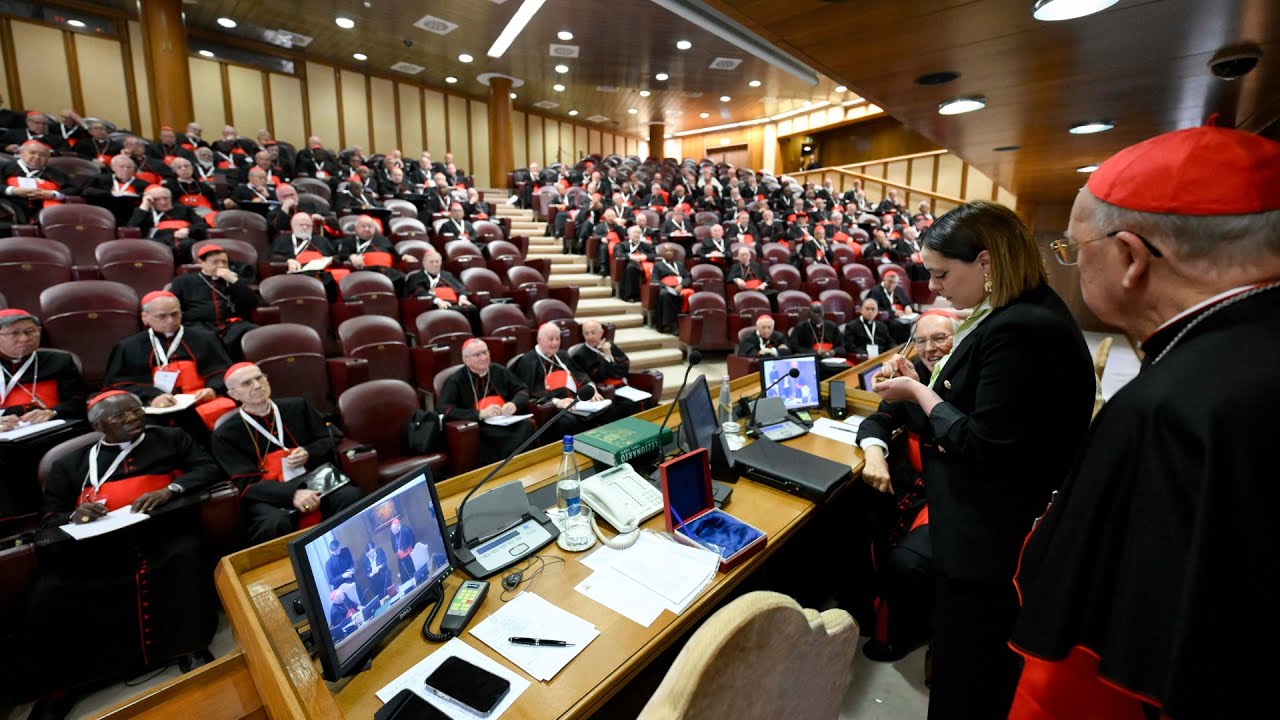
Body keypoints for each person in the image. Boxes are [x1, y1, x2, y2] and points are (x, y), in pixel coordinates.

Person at [1010, 125, 1280, 719]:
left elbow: (1088, 676)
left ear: (1130, 257)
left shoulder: (1165, 413)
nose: (1073, 264)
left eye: (1074, 249)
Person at [869, 200, 1094, 718]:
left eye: (943, 273)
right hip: (975, 525)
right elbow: (971, 409)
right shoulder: (1011, 313)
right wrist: (922, 387)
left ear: (987, 263)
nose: (935, 288)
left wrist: (920, 394)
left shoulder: (1023, 327)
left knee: (968, 676)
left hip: (991, 538)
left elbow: (982, 443)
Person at [22, 391, 218, 717]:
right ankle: (63, 685)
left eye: (136, 411)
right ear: (98, 424)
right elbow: (51, 515)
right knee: (49, 591)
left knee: (187, 554)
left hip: (161, 531)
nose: (133, 419)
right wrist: (73, 515)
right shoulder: (69, 463)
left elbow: (207, 469)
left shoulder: (170, 438)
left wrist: (169, 490)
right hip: (97, 546)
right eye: (120, 416)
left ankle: (192, 647)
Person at [856, 312, 957, 663]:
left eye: (941, 338)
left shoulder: (968, 377)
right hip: (912, 485)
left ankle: (902, 634)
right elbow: (878, 420)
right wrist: (874, 454)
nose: (931, 348)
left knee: (906, 562)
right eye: (924, 340)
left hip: (952, 491)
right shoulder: (912, 372)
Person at [212, 362, 361, 544]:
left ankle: (349, 547)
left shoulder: (298, 406)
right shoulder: (225, 433)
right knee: (274, 523)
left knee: (350, 496)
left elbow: (330, 438)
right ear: (233, 394)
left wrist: (308, 451)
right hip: (268, 494)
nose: (257, 385)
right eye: (247, 383)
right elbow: (245, 484)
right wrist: (292, 494)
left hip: (311, 478)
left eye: (259, 378)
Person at [103, 291, 237, 435]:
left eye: (175, 314)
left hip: (202, 403)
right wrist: (151, 397)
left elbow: (225, 371)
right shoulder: (128, 347)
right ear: (145, 317)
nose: (170, 320)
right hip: (155, 407)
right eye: (162, 316)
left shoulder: (205, 338)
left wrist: (213, 389)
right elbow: (117, 386)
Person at [437, 339, 535, 466]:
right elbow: (444, 408)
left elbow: (522, 390)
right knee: (495, 437)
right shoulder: (455, 380)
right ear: (466, 359)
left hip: (506, 419)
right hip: (480, 425)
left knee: (526, 425)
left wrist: (514, 404)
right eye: (478, 355)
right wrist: (480, 414)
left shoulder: (499, 370)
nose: (484, 357)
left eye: (485, 352)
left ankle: (526, 465)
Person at [512, 324, 609, 438]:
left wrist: (591, 387)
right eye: (551, 339)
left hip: (577, 402)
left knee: (607, 409)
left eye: (557, 339)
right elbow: (530, 393)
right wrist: (557, 401)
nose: (555, 343)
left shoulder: (562, 355)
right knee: (568, 421)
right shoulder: (528, 361)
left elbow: (579, 374)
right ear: (539, 339)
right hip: (552, 408)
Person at [0, 309, 85, 430]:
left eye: (30, 331)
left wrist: (53, 412)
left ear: (39, 331)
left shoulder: (59, 361)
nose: (24, 338)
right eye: (14, 333)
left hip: (50, 432)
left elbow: (77, 402)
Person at [169, 244, 259, 356]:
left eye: (224, 262)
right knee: (205, 337)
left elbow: (253, 302)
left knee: (254, 332)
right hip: (199, 325)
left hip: (230, 326)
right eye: (215, 262)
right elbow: (172, 305)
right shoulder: (183, 281)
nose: (221, 266)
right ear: (201, 262)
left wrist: (233, 280)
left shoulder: (232, 279)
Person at [571, 319, 646, 412]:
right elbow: (597, 377)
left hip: (622, 387)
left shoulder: (610, 346)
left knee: (646, 401)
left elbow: (623, 368)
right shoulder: (580, 354)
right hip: (604, 391)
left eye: (593, 333)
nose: (590, 337)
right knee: (629, 405)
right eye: (586, 333)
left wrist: (609, 354)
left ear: (601, 333)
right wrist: (606, 358)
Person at [404, 250, 482, 335]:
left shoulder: (447, 275)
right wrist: (438, 301)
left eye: (437, 261)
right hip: (433, 305)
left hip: (455, 303)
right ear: (424, 263)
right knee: (450, 311)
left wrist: (462, 297)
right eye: (431, 262)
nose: (435, 264)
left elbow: (461, 289)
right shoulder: (415, 277)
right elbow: (419, 292)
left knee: (472, 308)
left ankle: (475, 336)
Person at [128, 184, 207, 264]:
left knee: (188, 244)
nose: (163, 202)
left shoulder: (184, 209)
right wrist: (144, 206)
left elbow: (201, 225)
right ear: (150, 200)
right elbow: (131, 229)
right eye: (157, 199)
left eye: (166, 198)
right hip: (155, 242)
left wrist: (188, 230)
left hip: (179, 241)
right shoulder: (145, 212)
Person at [1, 139, 72, 222]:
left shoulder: (56, 173)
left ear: (49, 157)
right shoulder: (5, 168)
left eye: (43, 155)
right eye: (32, 153)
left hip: (43, 210)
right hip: (10, 206)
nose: (37, 157)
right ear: (21, 153)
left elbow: (72, 190)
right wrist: (13, 190)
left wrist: (52, 194)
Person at [338, 214, 410, 294]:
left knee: (405, 279)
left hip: (386, 270)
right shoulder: (348, 241)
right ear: (356, 229)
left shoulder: (383, 239)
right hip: (363, 270)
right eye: (363, 226)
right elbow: (342, 256)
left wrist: (403, 256)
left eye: (370, 226)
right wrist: (351, 256)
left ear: (374, 229)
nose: (367, 229)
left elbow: (395, 256)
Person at [651, 245, 693, 334]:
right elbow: (654, 279)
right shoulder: (658, 265)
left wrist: (682, 285)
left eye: (670, 251)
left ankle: (684, 322)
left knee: (690, 293)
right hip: (666, 287)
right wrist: (666, 287)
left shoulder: (679, 264)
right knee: (664, 295)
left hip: (679, 287)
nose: (669, 253)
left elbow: (687, 277)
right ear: (662, 254)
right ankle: (668, 324)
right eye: (666, 251)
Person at [613, 225, 654, 302]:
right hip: (629, 264)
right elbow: (618, 254)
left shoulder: (645, 245)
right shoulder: (622, 245)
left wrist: (645, 256)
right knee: (631, 268)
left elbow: (654, 255)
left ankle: (648, 296)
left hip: (644, 264)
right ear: (629, 235)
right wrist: (630, 257)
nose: (637, 234)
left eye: (639, 233)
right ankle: (630, 295)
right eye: (635, 232)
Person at [359, 540, 392, 606]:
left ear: (375, 549)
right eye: (370, 553)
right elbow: (366, 574)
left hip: (385, 578)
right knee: (382, 600)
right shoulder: (365, 560)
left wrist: (379, 567)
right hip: (375, 583)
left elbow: (384, 562)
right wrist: (371, 574)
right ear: (367, 553)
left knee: (390, 595)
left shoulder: (380, 551)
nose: (372, 554)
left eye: (373, 552)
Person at [388, 517, 417, 583]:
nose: (393, 532)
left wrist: (408, 549)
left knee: (412, 572)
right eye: (392, 530)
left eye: (394, 530)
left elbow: (412, 540)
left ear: (398, 526)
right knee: (404, 576)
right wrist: (397, 551)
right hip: (400, 559)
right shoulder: (393, 533)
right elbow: (393, 545)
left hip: (408, 556)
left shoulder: (406, 530)